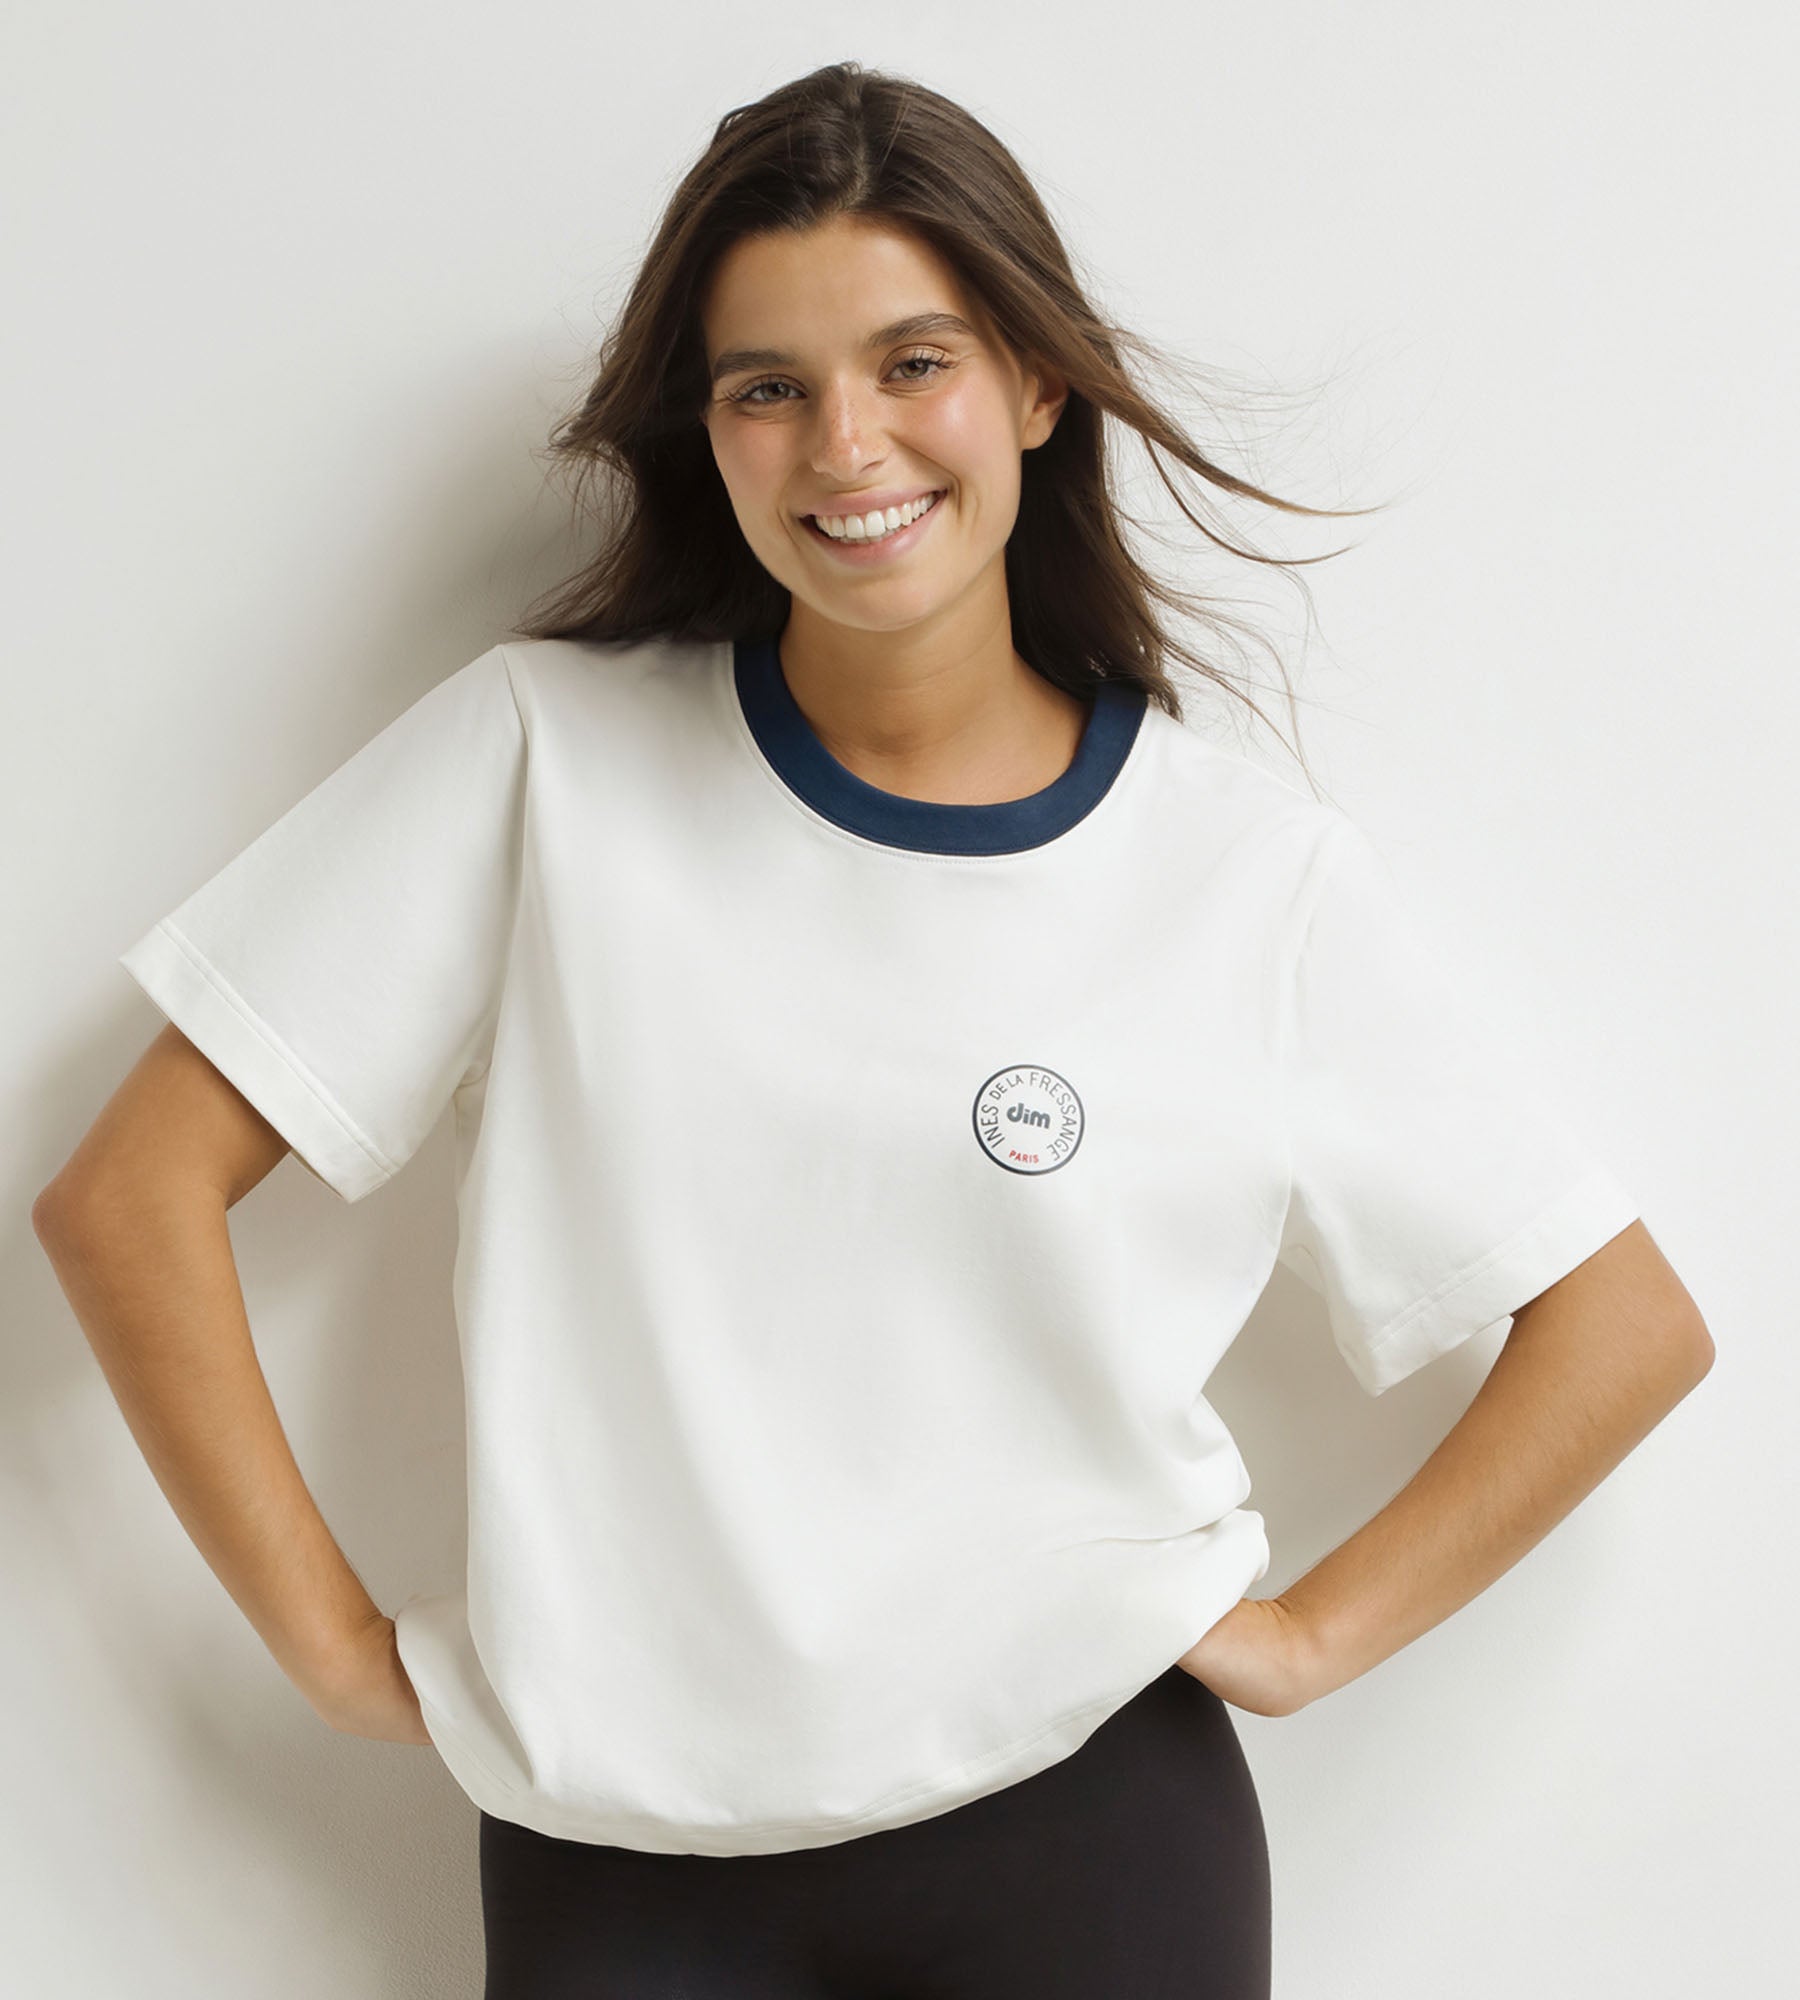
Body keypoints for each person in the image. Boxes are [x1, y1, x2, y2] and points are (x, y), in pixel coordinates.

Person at [33, 59, 1713, 2000]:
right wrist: (327, 1648)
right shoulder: (542, 762)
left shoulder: (1239, 877)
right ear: (708, 430)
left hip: (1093, 1838)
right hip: (623, 1859)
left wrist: (1310, 1639)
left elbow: (1621, 1323)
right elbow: (127, 1199)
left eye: (915, 362)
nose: (847, 444)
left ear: (1035, 387)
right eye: (769, 386)